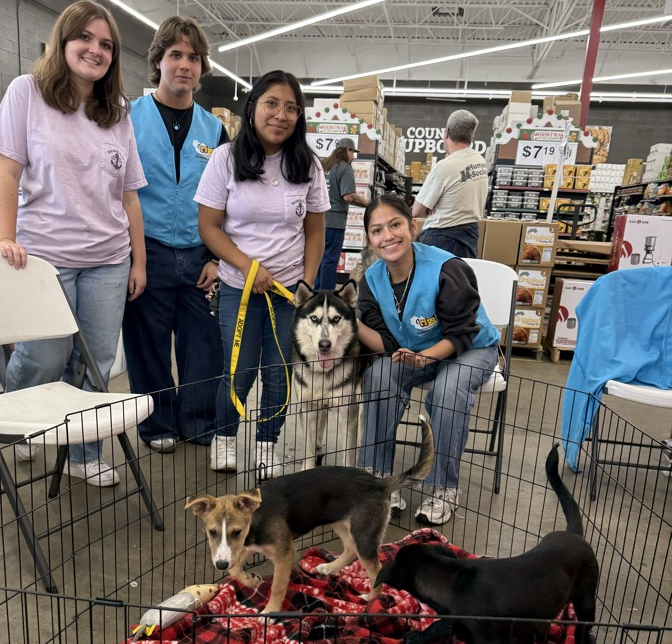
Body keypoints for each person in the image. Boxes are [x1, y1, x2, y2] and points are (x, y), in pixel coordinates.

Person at [0, 0, 147, 487]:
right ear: (63, 40)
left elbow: (130, 198)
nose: (95, 50)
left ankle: (83, 453)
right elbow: (6, 172)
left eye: (106, 45)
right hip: (45, 257)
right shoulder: (26, 93)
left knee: (96, 362)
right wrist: (5, 238)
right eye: (86, 38)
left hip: (109, 260)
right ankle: (23, 425)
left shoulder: (116, 112)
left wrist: (138, 261)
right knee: (44, 356)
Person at [196, 70, 329, 476]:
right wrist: (247, 268)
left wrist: (304, 287)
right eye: (272, 103)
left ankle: (268, 443)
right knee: (237, 372)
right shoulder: (225, 159)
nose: (281, 115)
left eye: (292, 108)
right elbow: (209, 228)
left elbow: (316, 231)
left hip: (287, 292)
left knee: (279, 374)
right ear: (253, 107)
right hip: (239, 287)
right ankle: (224, 437)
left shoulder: (308, 165)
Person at [356, 194, 499, 524]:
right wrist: (353, 324)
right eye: (377, 230)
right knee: (379, 375)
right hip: (414, 351)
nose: (388, 236)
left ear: (413, 226)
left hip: (472, 347)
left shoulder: (447, 267)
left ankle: (443, 487)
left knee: (447, 391)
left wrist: (425, 357)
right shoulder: (371, 281)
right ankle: (380, 480)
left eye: (395, 225)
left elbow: (464, 332)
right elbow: (387, 342)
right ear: (369, 240)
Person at [122, 16, 228, 453]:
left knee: (204, 344)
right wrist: (133, 256)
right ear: (159, 62)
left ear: (201, 69)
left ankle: (199, 421)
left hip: (201, 253)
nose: (185, 64)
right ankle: (156, 423)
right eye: (175, 55)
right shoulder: (128, 117)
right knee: (146, 344)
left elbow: (227, 200)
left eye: (193, 57)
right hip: (148, 251)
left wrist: (217, 257)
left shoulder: (215, 130)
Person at [411, 109, 487, 259]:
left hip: (441, 239)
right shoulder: (480, 162)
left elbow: (416, 211)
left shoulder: (445, 166)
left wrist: (430, 206)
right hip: (469, 236)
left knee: (435, 282)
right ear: (472, 136)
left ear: (446, 133)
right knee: (461, 279)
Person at [315, 137, 368, 290]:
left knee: (319, 257)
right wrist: (368, 204)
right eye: (353, 152)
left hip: (319, 219)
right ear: (348, 151)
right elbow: (348, 196)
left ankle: (315, 292)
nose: (353, 156)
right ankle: (327, 295)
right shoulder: (345, 168)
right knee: (330, 260)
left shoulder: (325, 166)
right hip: (335, 220)